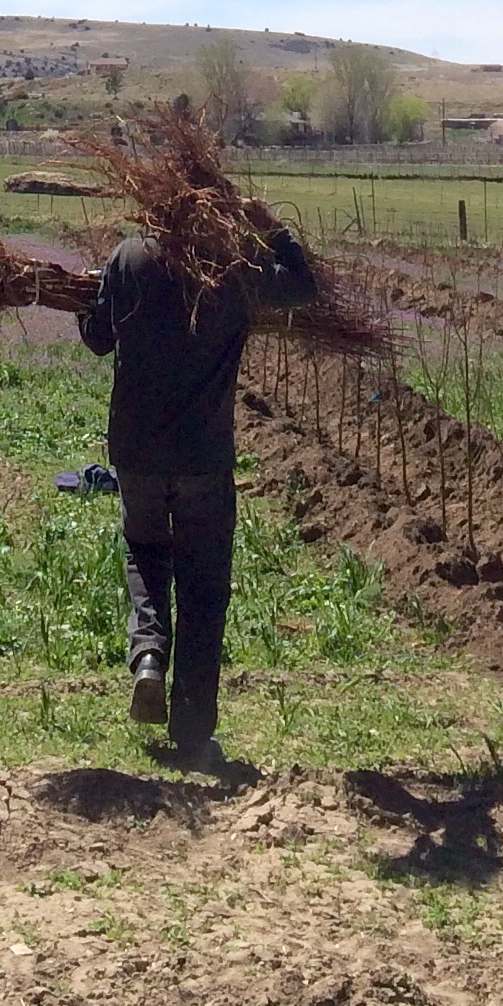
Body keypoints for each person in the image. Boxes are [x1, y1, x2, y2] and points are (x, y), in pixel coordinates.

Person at [77, 206, 315, 771]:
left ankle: (149, 659)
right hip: (203, 455)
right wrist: (271, 227)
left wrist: (92, 295)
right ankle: (192, 731)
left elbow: (96, 339)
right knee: (205, 585)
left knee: (144, 553)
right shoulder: (231, 269)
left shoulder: (129, 257)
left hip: (136, 451)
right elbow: (303, 288)